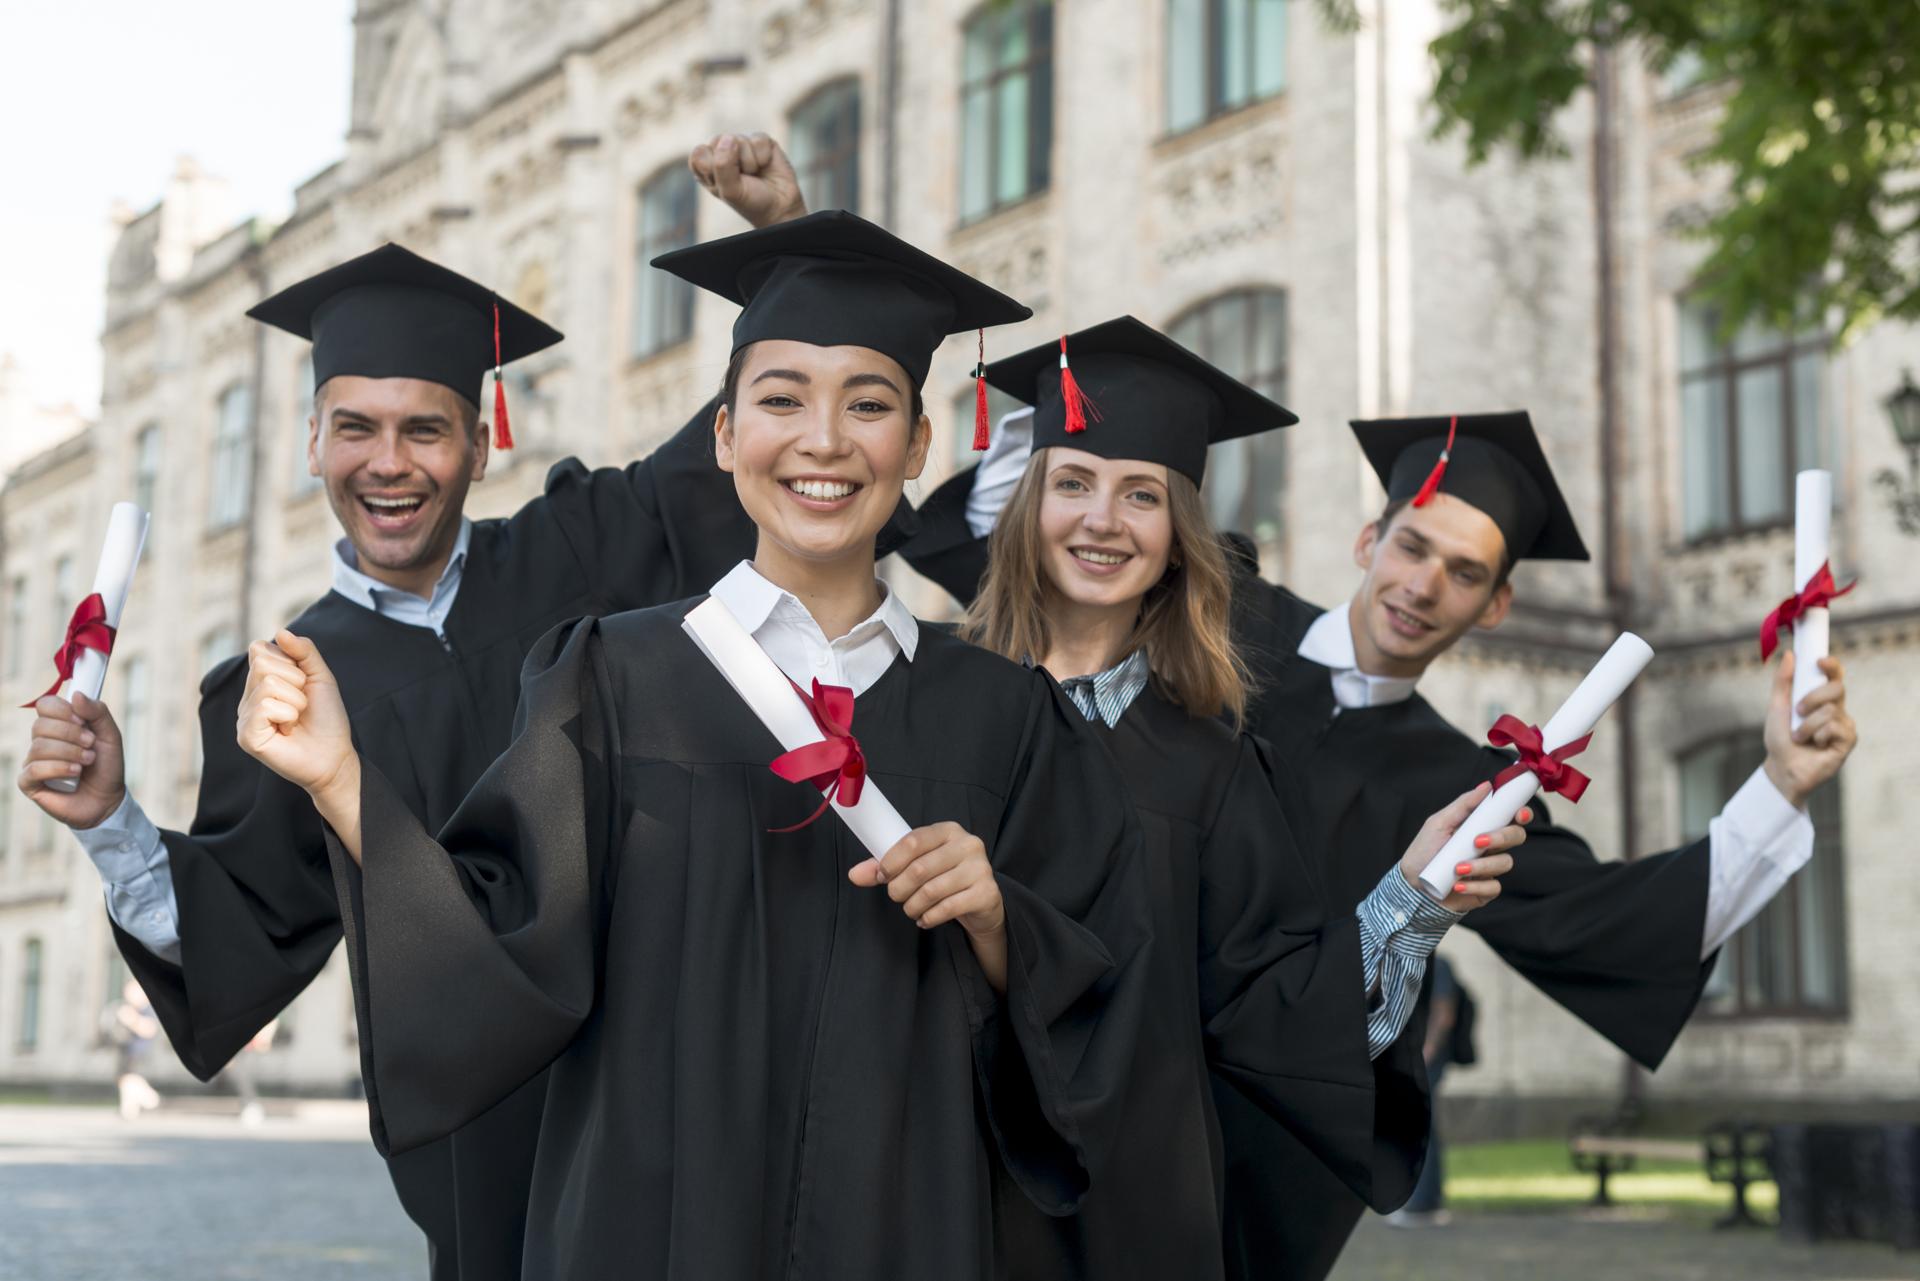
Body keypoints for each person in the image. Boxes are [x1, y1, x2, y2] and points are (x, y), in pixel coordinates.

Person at [237, 210, 1157, 1280]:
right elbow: (494, 952)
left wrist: (1003, 922)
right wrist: (342, 782)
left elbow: (1107, 1016)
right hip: (652, 1237)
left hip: (905, 1235)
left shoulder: (1003, 717)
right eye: (780, 400)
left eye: (868, 405)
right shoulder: (609, 682)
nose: (822, 439)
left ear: (916, 446)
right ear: (723, 436)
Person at [903, 408, 1859, 1280]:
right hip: (1024, 1072)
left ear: (1494, 606)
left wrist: (1780, 785)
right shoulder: (1221, 617)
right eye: (1411, 545)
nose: (1422, 584)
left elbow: (1623, 925)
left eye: (1466, 572)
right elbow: (1029, 571)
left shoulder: (1456, 788)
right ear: (1369, 541)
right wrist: (1073, 407)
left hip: (1231, 1154)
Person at [16, 243, 762, 1280]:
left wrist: (784, 257)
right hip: (483, 1128)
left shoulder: (581, 550)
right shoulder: (278, 690)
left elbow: (757, 452)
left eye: (427, 428)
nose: (390, 462)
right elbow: (236, 932)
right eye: (356, 427)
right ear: (313, 441)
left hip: (672, 1074)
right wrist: (109, 820)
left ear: (481, 440)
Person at [949, 317, 1529, 1279]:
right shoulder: (933, 705)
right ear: (1027, 505)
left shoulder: (1213, 769)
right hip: (936, 1190)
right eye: (1074, 482)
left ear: (1179, 538)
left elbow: (1272, 1012)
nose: (1103, 520)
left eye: (1143, 495)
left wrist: (1410, 898)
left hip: (1128, 1214)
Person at [1387, 955, 1464, 1227]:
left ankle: (1420, 1203)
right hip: (1414, 1059)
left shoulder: (1437, 965)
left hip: (1423, 1060)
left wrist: (1426, 1052)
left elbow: (1444, 1013)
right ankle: (1426, 1200)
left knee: (1419, 1128)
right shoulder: (1410, 961)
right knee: (1421, 1128)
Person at [105, 979, 162, 1120]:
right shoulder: (129, 1008)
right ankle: (129, 1109)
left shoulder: (147, 1009)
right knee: (124, 1080)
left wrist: (132, 1020)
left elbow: (150, 1029)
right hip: (127, 1050)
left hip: (140, 1052)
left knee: (130, 1079)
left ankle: (151, 1101)